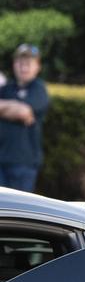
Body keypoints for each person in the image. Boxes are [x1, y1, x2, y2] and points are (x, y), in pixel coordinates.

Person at [0, 44, 49, 193]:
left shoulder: (38, 89)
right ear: (15, 64)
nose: (24, 67)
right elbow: (20, 110)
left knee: (18, 211)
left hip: (24, 164)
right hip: (1, 161)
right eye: (21, 63)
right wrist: (13, 107)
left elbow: (23, 112)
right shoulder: (7, 88)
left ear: (37, 66)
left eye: (28, 63)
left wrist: (8, 108)